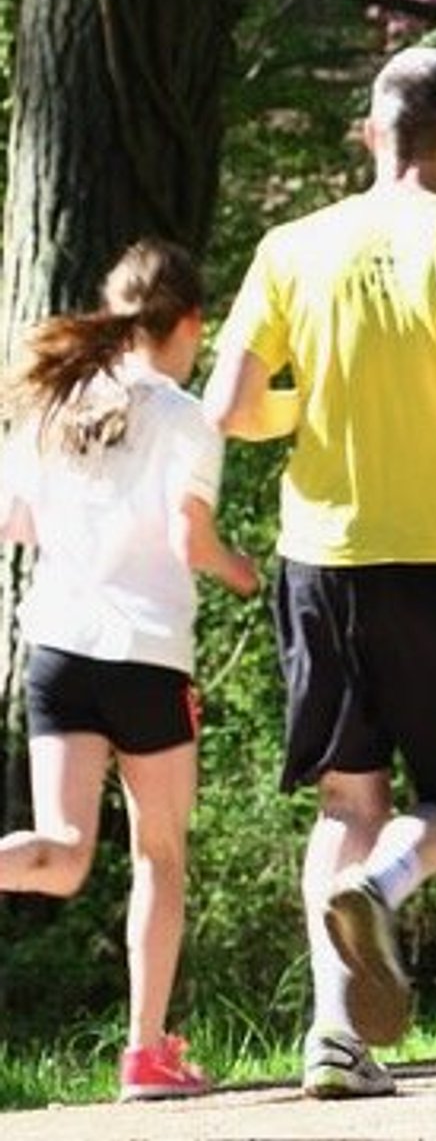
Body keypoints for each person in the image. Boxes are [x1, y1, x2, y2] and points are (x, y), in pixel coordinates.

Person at [205, 46, 436, 1099]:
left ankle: (332, 1038)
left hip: (322, 561)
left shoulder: (291, 245)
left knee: (344, 799)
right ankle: (382, 883)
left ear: (371, 132)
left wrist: (299, 411)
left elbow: (227, 406)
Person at [0, 239, 259, 1101]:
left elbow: (16, 521)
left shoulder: (54, 402)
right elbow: (192, 541)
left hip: (60, 653)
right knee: (161, 853)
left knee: (64, 856)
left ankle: (150, 1052)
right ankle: (146, 1055)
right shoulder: (187, 417)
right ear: (189, 323)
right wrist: (243, 570)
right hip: (147, 661)